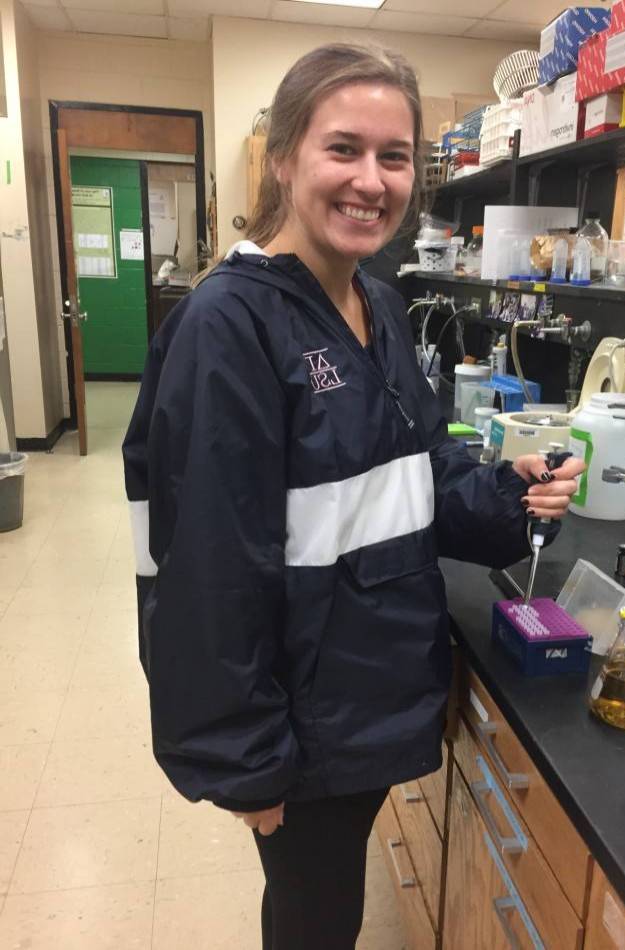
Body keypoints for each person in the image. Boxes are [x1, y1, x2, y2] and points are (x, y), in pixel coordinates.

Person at [123, 42, 585, 950]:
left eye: (394, 156)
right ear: (285, 156)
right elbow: (203, 573)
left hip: (366, 691)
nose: (371, 181)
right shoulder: (228, 326)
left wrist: (505, 494)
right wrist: (246, 763)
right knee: (314, 919)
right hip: (304, 720)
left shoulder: (372, 303)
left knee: (321, 909)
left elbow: (409, 470)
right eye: (344, 149)